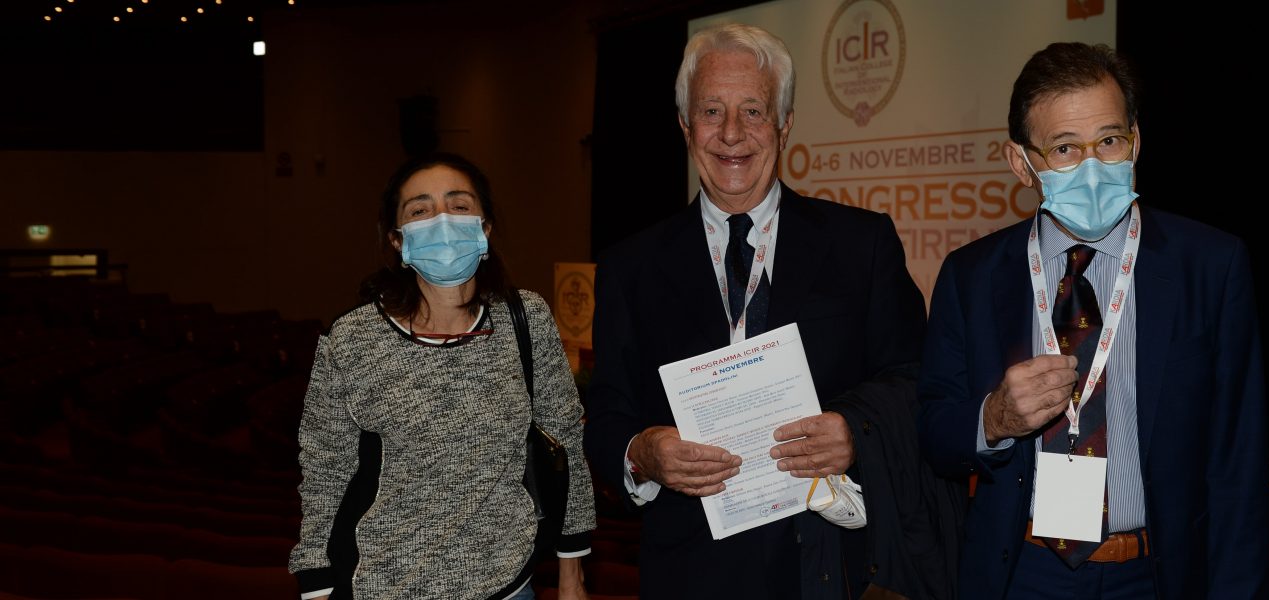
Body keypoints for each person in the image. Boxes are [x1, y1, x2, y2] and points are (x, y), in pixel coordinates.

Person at [585, 23, 961, 600]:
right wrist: (643, 454)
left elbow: (917, 380)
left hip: (827, 566)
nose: (731, 133)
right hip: (689, 573)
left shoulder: (861, 245)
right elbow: (607, 416)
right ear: (685, 125)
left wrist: (855, 432)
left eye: (754, 111)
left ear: (785, 125)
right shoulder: (628, 267)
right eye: (712, 111)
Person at [916, 42, 1269, 599]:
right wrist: (995, 418)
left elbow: (1239, 462)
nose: (1092, 167)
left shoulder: (1210, 266)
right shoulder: (972, 276)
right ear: (1021, 163)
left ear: (1136, 140)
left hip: (1156, 574)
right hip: (1020, 573)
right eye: (1064, 148)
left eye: (1109, 141)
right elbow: (934, 431)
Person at [288, 153, 594, 600]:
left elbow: (564, 439)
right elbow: (324, 470)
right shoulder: (351, 339)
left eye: (459, 205)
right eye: (421, 210)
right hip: (385, 587)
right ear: (397, 240)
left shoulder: (526, 318)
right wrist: (315, 585)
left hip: (509, 585)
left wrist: (573, 574)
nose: (443, 221)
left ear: (485, 228)